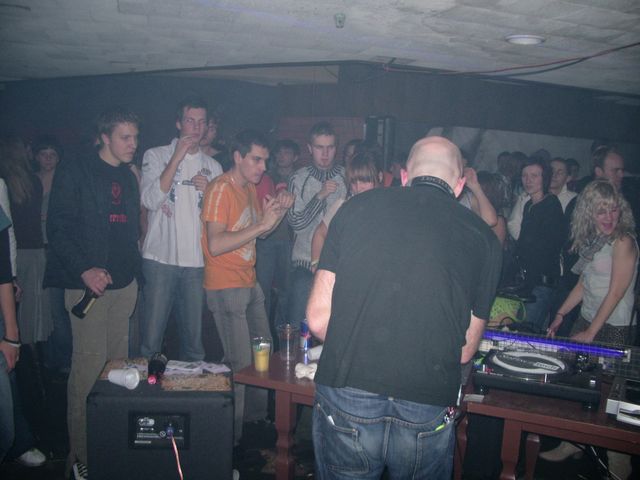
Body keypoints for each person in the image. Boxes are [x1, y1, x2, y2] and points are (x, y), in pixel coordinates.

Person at [307, 136, 502, 480]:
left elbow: (318, 319)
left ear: (404, 175)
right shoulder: (484, 238)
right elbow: (465, 350)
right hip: (427, 400)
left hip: (348, 389)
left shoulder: (355, 209)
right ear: (459, 185)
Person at [45, 107, 142, 479]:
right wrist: (84, 269)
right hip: (88, 287)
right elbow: (58, 228)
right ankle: (81, 458)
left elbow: (128, 230)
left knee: (116, 371)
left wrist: (134, 273)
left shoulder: (128, 176)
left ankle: (110, 450)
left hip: (123, 285)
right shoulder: (76, 169)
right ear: (104, 137)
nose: (133, 144)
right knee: (87, 371)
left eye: (135, 137)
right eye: (125, 137)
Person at [201, 130, 293, 445]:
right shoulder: (220, 189)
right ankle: (232, 440)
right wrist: (261, 224)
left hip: (249, 281)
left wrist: (276, 215)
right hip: (226, 285)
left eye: (265, 160)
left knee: (261, 355)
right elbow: (215, 244)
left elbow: (260, 234)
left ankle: (255, 421)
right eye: (257, 159)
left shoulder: (249, 188)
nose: (263, 167)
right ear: (238, 156)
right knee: (239, 365)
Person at [139, 95, 223, 361]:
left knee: (194, 343)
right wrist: (176, 157)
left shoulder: (214, 166)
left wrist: (209, 193)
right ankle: (149, 385)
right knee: (151, 340)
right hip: (159, 259)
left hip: (196, 264)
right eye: (190, 121)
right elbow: (150, 200)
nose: (196, 128)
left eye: (201, 122)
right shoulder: (155, 155)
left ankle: (191, 386)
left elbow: (220, 219)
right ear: (178, 123)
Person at [548, 180, 637, 344]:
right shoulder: (592, 240)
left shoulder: (622, 241)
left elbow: (616, 292)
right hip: (587, 316)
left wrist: (590, 332)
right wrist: (560, 314)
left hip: (614, 324)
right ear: (588, 213)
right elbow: (583, 284)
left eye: (614, 210)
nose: (609, 217)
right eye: (601, 212)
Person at [287, 122, 346, 326]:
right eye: (320, 147)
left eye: (330, 147)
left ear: (336, 148)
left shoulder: (346, 177)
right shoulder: (298, 178)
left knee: (333, 326)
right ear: (310, 148)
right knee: (298, 324)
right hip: (304, 265)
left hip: (338, 267)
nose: (325, 153)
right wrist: (320, 196)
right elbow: (296, 224)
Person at [33, 136, 72, 374]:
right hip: (33, 251)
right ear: (36, 157)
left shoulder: (64, 180)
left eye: (52, 154)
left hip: (57, 252)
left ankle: (65, 361)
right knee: (40, 308)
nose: (48, 159)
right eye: (43, 154)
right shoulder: (29, 181)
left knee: (58, 310)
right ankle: (46, 360)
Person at [516, 157, 566, 333]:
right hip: (529, 282)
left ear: (544, 179)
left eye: (534, 176)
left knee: (526, 333)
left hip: (542, 283)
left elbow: (549, 248)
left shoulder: (551, 205)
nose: (528, 180)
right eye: (524, 175)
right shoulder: (529, 205)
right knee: (527, 333)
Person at [310, 152, 383, 270]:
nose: (358, 188)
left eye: (364, 181)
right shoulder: (343, 205)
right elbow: (320, 233)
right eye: (354, 182)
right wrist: (316, 265)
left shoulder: (387, 206)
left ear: (379, 177)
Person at [255, 140, 298, 329]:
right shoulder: (266, 175)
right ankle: (263, 332)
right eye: (279, 152)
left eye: (286, 152)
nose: (281, 156)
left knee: (286, 290)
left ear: (295, 157)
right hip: (266, 239)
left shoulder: (300, 177)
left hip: (289, 241)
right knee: (262, 290)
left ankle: (283, 333)